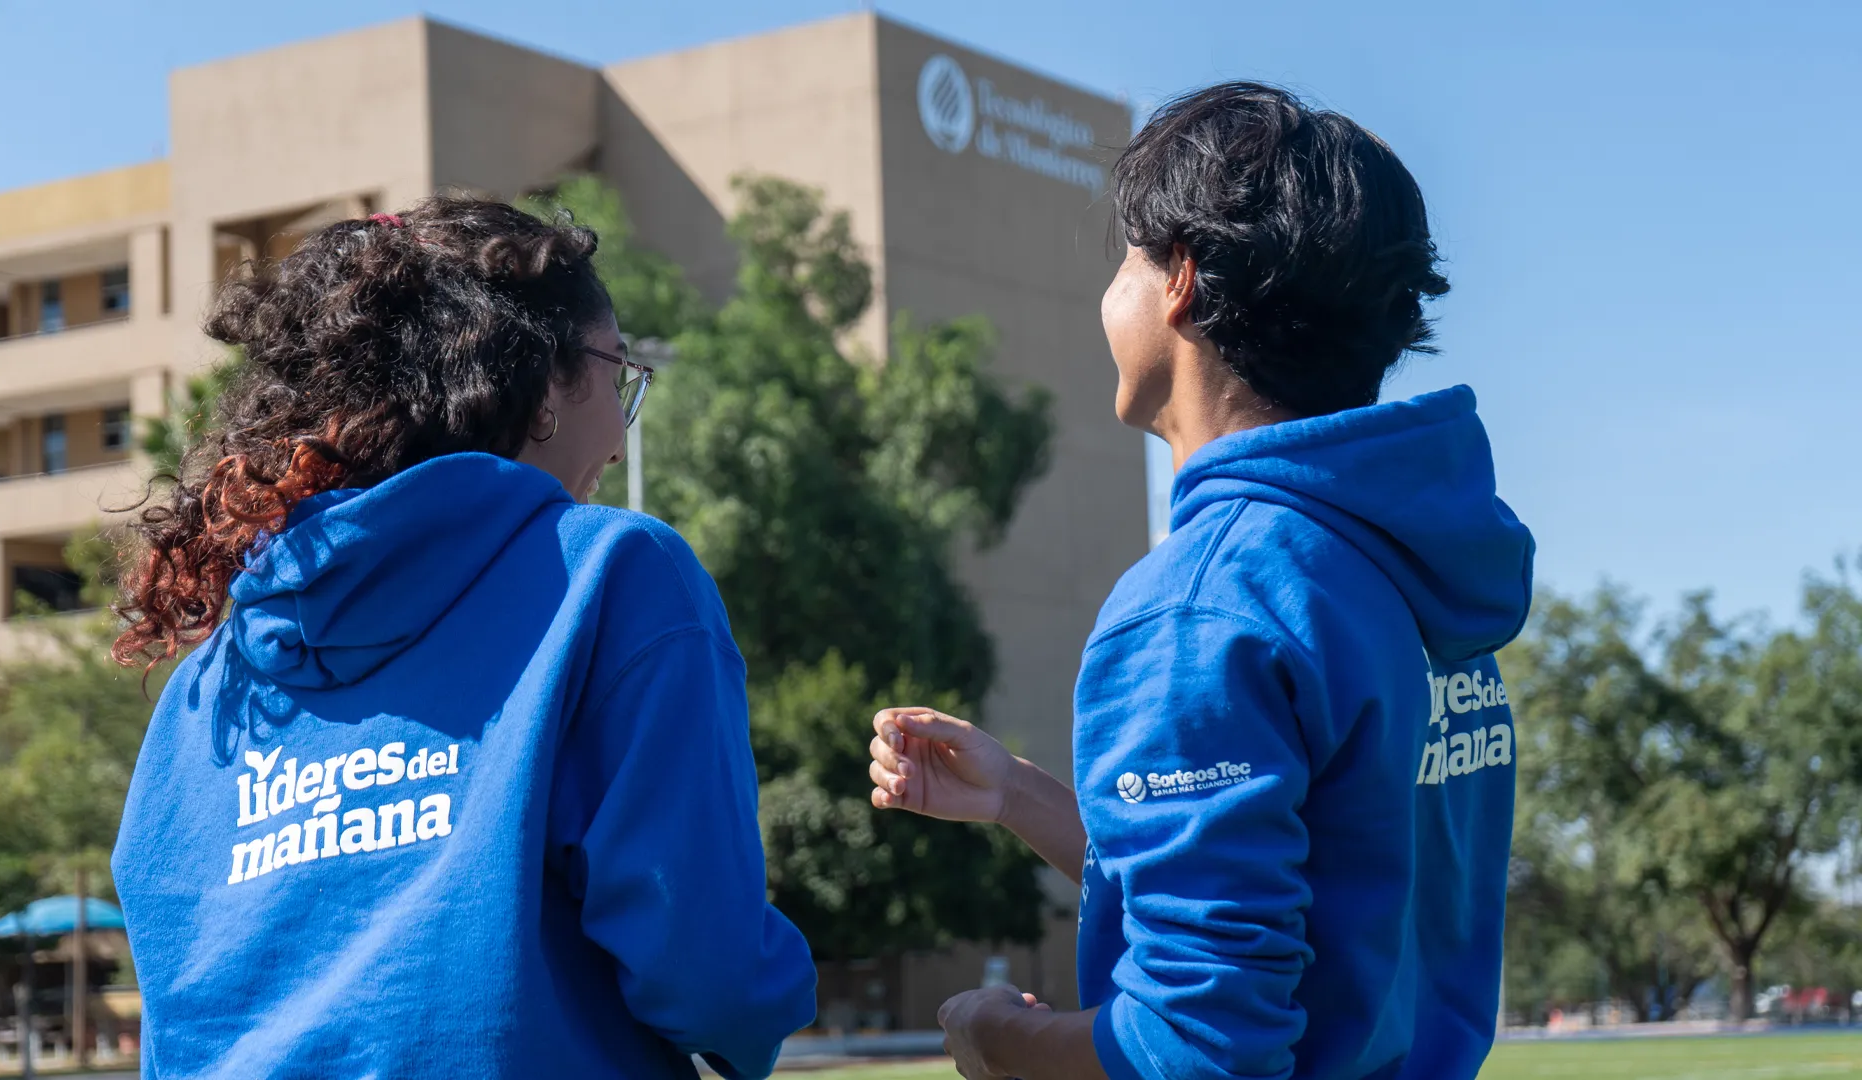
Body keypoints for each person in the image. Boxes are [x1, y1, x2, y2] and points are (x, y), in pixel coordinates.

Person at [866, 83, 1533, 1079]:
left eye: (1125, 259)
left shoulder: (1202, 605)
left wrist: (996, 1037)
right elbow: (1324, 891)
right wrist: (1017, 795)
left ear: (1179, 277)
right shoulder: (1399, 570)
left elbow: (1201, 1049)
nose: (1109, 294)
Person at [109, 198, 815, 1079]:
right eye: (618, 371)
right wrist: (776, 988)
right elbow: (708, 978)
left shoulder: (206, 688)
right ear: (544, 379)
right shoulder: (610, 578)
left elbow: (184, 1002)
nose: (618, 431)